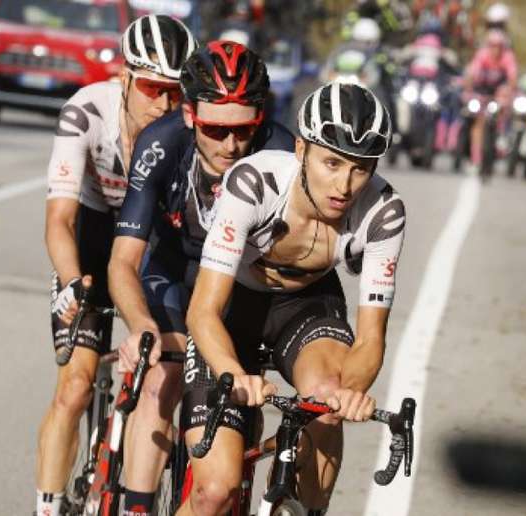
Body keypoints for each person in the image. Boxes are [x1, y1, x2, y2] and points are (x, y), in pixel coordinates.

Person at [176, 82, 404, 516]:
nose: (344, 184)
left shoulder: (383, 213)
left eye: (361, 168)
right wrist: (232, 374)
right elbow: (203, 311)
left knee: (327, 402)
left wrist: (349, 393)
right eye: (332, 163)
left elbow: (372, 338)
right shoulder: (254, 182)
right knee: (215, 492)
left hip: (305, 305)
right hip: (232, 306)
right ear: (301, 150)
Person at [108, 40, 295, 514]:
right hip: (172, 271)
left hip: (240, 282)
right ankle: (137, 505)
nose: (232, 146)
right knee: (160, 377)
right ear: (189, 114)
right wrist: (141, 327)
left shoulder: (281, 151)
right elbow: (124, 261)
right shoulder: (160, 144)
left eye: (244, 130)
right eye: (215, 129)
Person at [37, 14, 196, 516]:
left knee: (160, 369)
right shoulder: (86, 111)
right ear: (125, 76)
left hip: (148, 243)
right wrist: (70, 285)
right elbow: (60, 221)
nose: (165, 104)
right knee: (77, 384)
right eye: (152, 87)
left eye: (176, 92)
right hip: (91, 231)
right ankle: (47, 503)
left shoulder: (187, 127)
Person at [463, 28, 518, 167]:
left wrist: (510, 91)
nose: (496, 50)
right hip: (482, 92)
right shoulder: (482, 55)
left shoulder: (508, 57)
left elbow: (513, 77)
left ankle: (501, 141)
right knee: (478, 121)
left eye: (499, 46)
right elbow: (472, 73)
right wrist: (468, 90)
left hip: (499, 94)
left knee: (503, 113)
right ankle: (476, 155)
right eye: (492, 46)